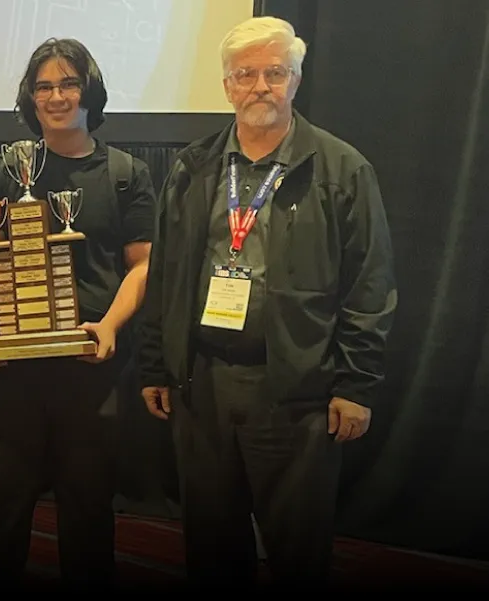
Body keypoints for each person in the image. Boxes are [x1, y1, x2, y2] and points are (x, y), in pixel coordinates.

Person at [137, 16, 397, 589]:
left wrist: (355, 386)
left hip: (295, 391)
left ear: (296, 81)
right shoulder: (192, 168)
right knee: (210, 542)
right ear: (227, 85)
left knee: (297, 547)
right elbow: (167, 277)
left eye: (274, 73)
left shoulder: (342, 169)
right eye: (245, 74)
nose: (260, 86)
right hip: (202, 385)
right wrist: (158, 362)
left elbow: (370, 286)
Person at [0, 38, 157, 589]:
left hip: (89, 363)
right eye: (44, 86)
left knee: (88, 503)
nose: (56, 95)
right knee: (6, 501)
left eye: (68, 83)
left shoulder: (125, 173)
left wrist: (110, 326)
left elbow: (143, 267)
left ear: (89, 90)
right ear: (31, 96)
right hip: (16, 365)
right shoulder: (8, 170)